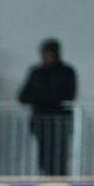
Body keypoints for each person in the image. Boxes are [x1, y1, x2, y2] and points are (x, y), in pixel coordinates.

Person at [18, 38, 77, 177]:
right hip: (41, 123)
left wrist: (41, 98)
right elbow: (23, 97)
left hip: (60, 124)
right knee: (44, 159)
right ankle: (47, 180)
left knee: (59, 158)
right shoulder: (36, 72)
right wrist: (48, 98)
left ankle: (60, 184)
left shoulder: (67, 72)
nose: (44, 57)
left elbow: (68, 96)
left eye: (47, 53)